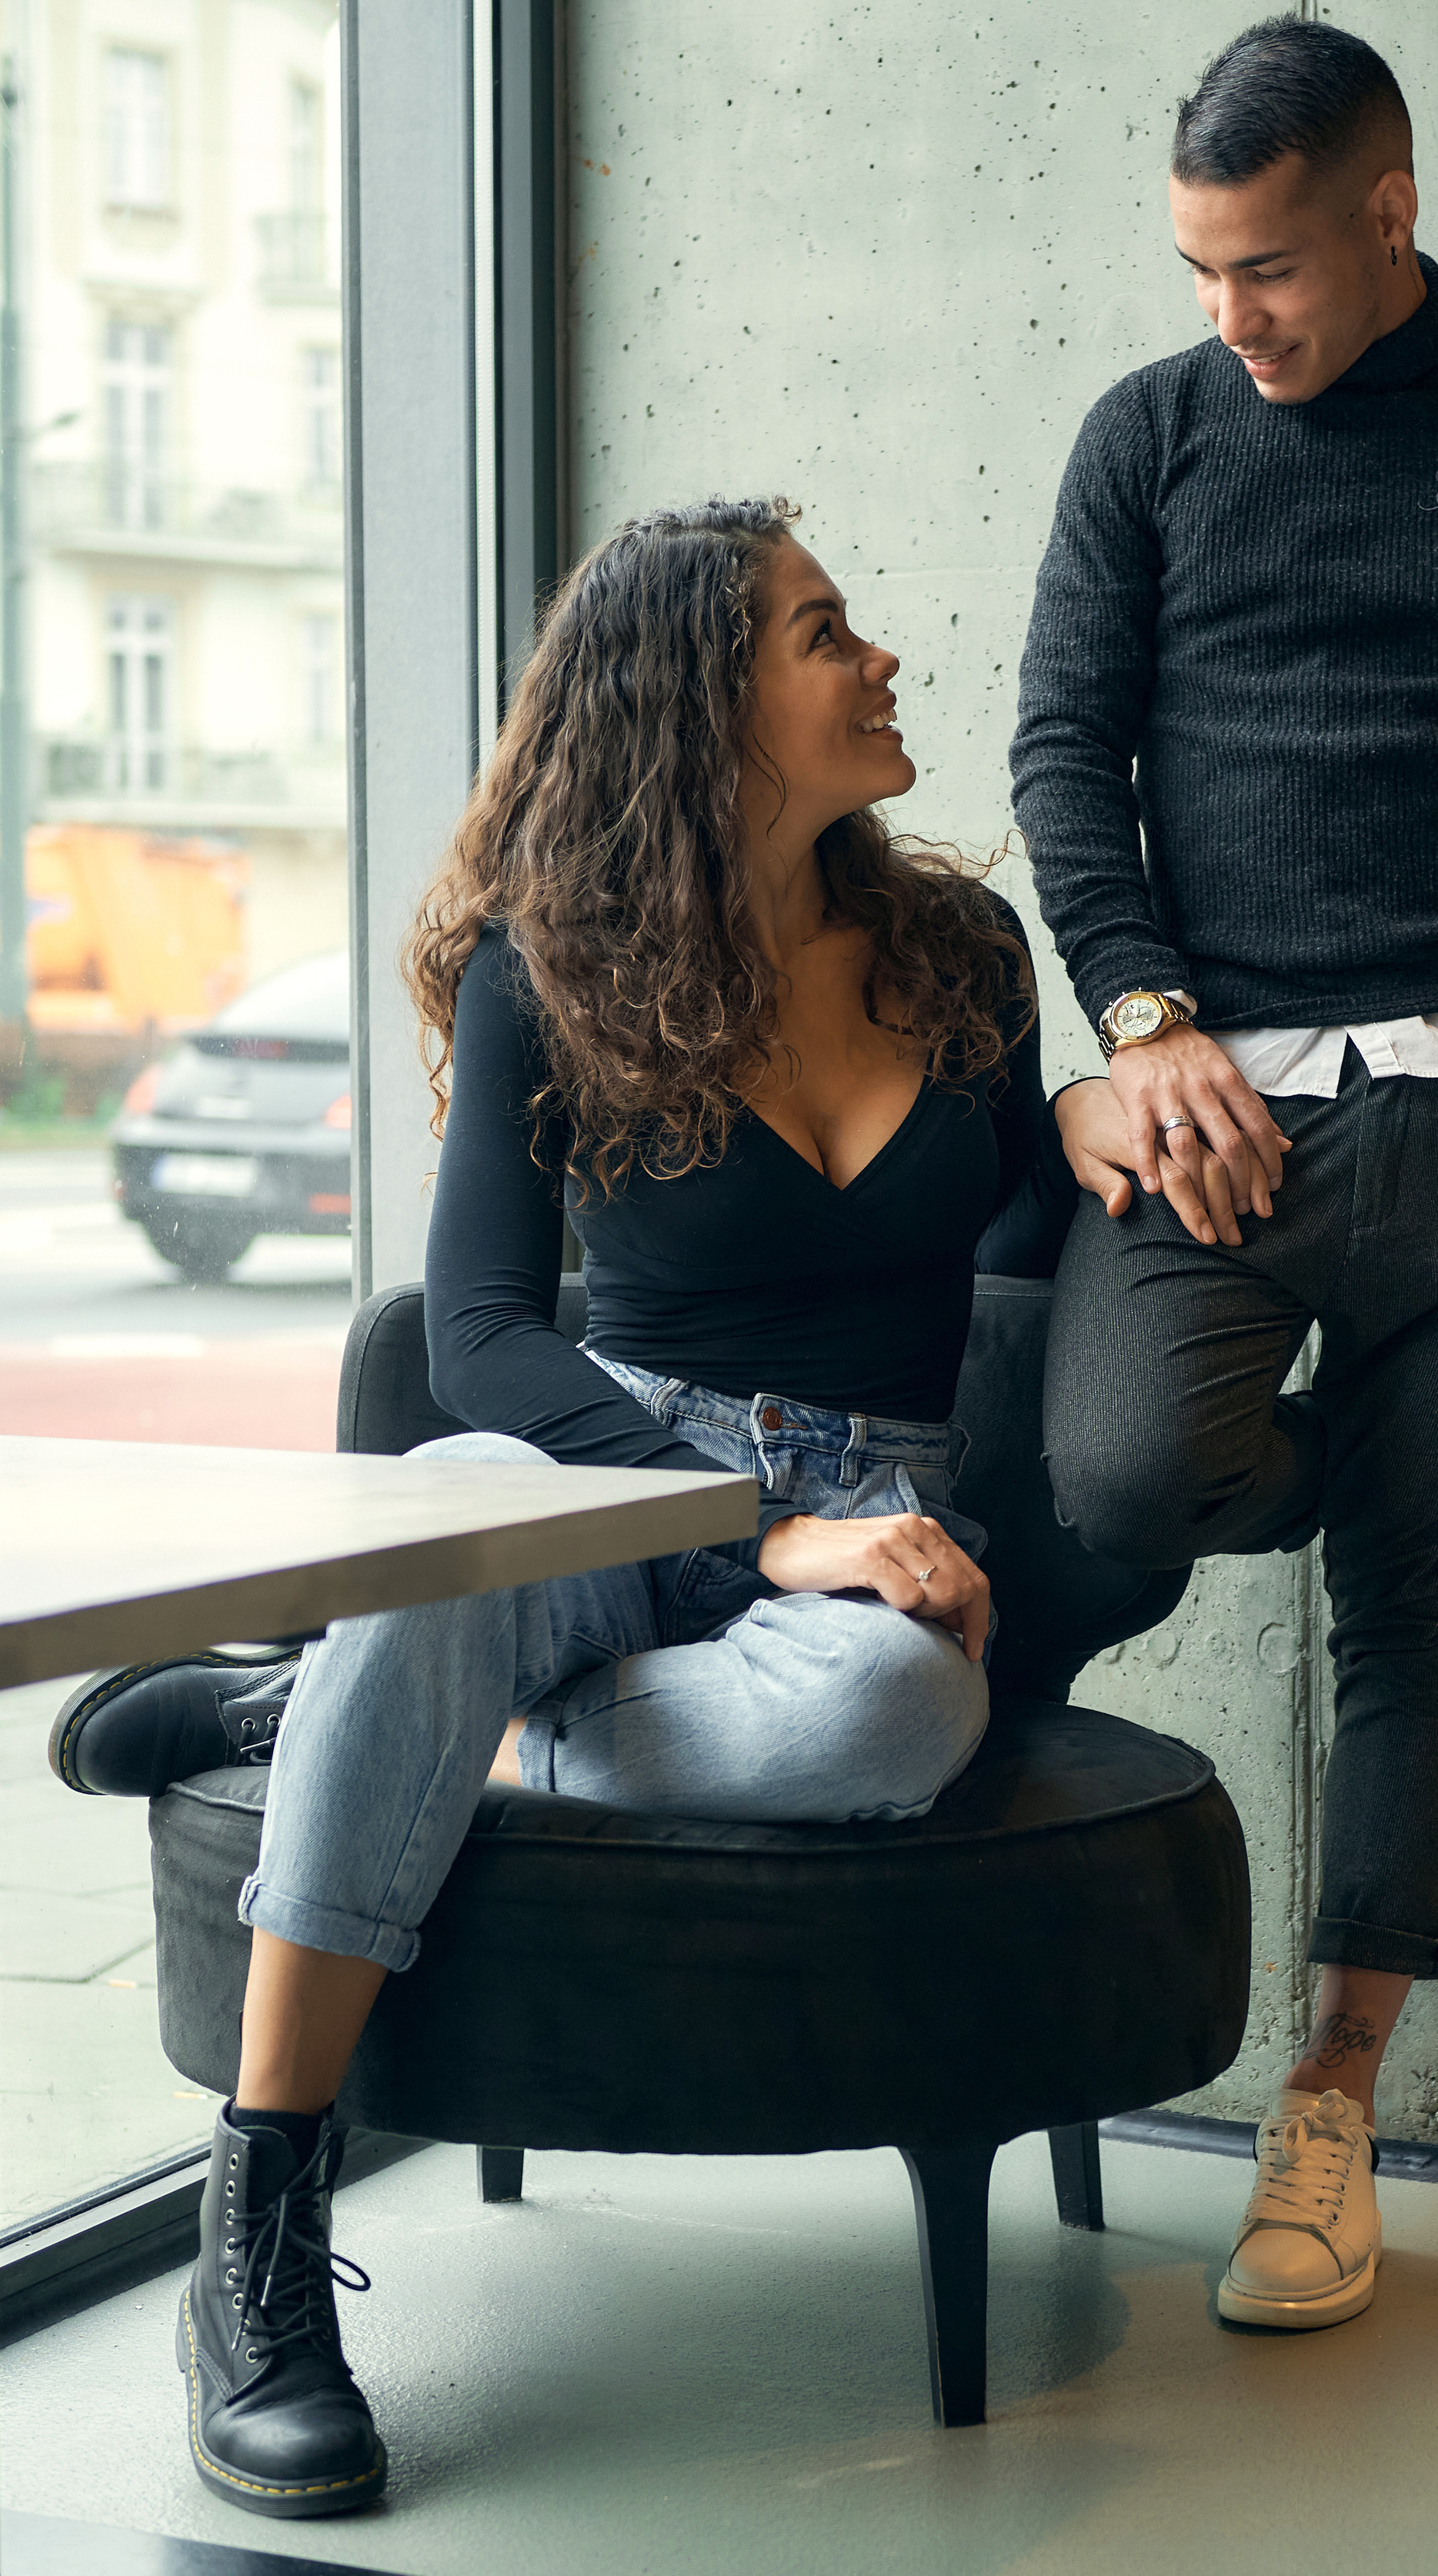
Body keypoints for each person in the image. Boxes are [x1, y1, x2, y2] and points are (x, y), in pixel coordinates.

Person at [50, 499, 1152, 2519]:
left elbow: (1026, 1204)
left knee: (896, 1711)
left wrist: (1086, 1105)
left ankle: (321, 1713)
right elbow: (478, 1343)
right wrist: (750, 1528)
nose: (881, 657)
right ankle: (262, 2251)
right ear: (708, 705)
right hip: (585, 1467)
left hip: (871, 1502)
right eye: (828, 632)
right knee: (441, 1535)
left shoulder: (963, 953)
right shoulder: (542, 972)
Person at [1012, 18, 1438, 2334]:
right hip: (1222, 1115)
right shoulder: (1154, 436)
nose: (1237, 317)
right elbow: (1057, 751)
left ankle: (1328, 2114)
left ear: (1390, 213)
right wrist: (1138, 1011)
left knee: (1427, 1625)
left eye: (1273, 267)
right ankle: (1351, 1471)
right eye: (1203, 269)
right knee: (1123, 1463)